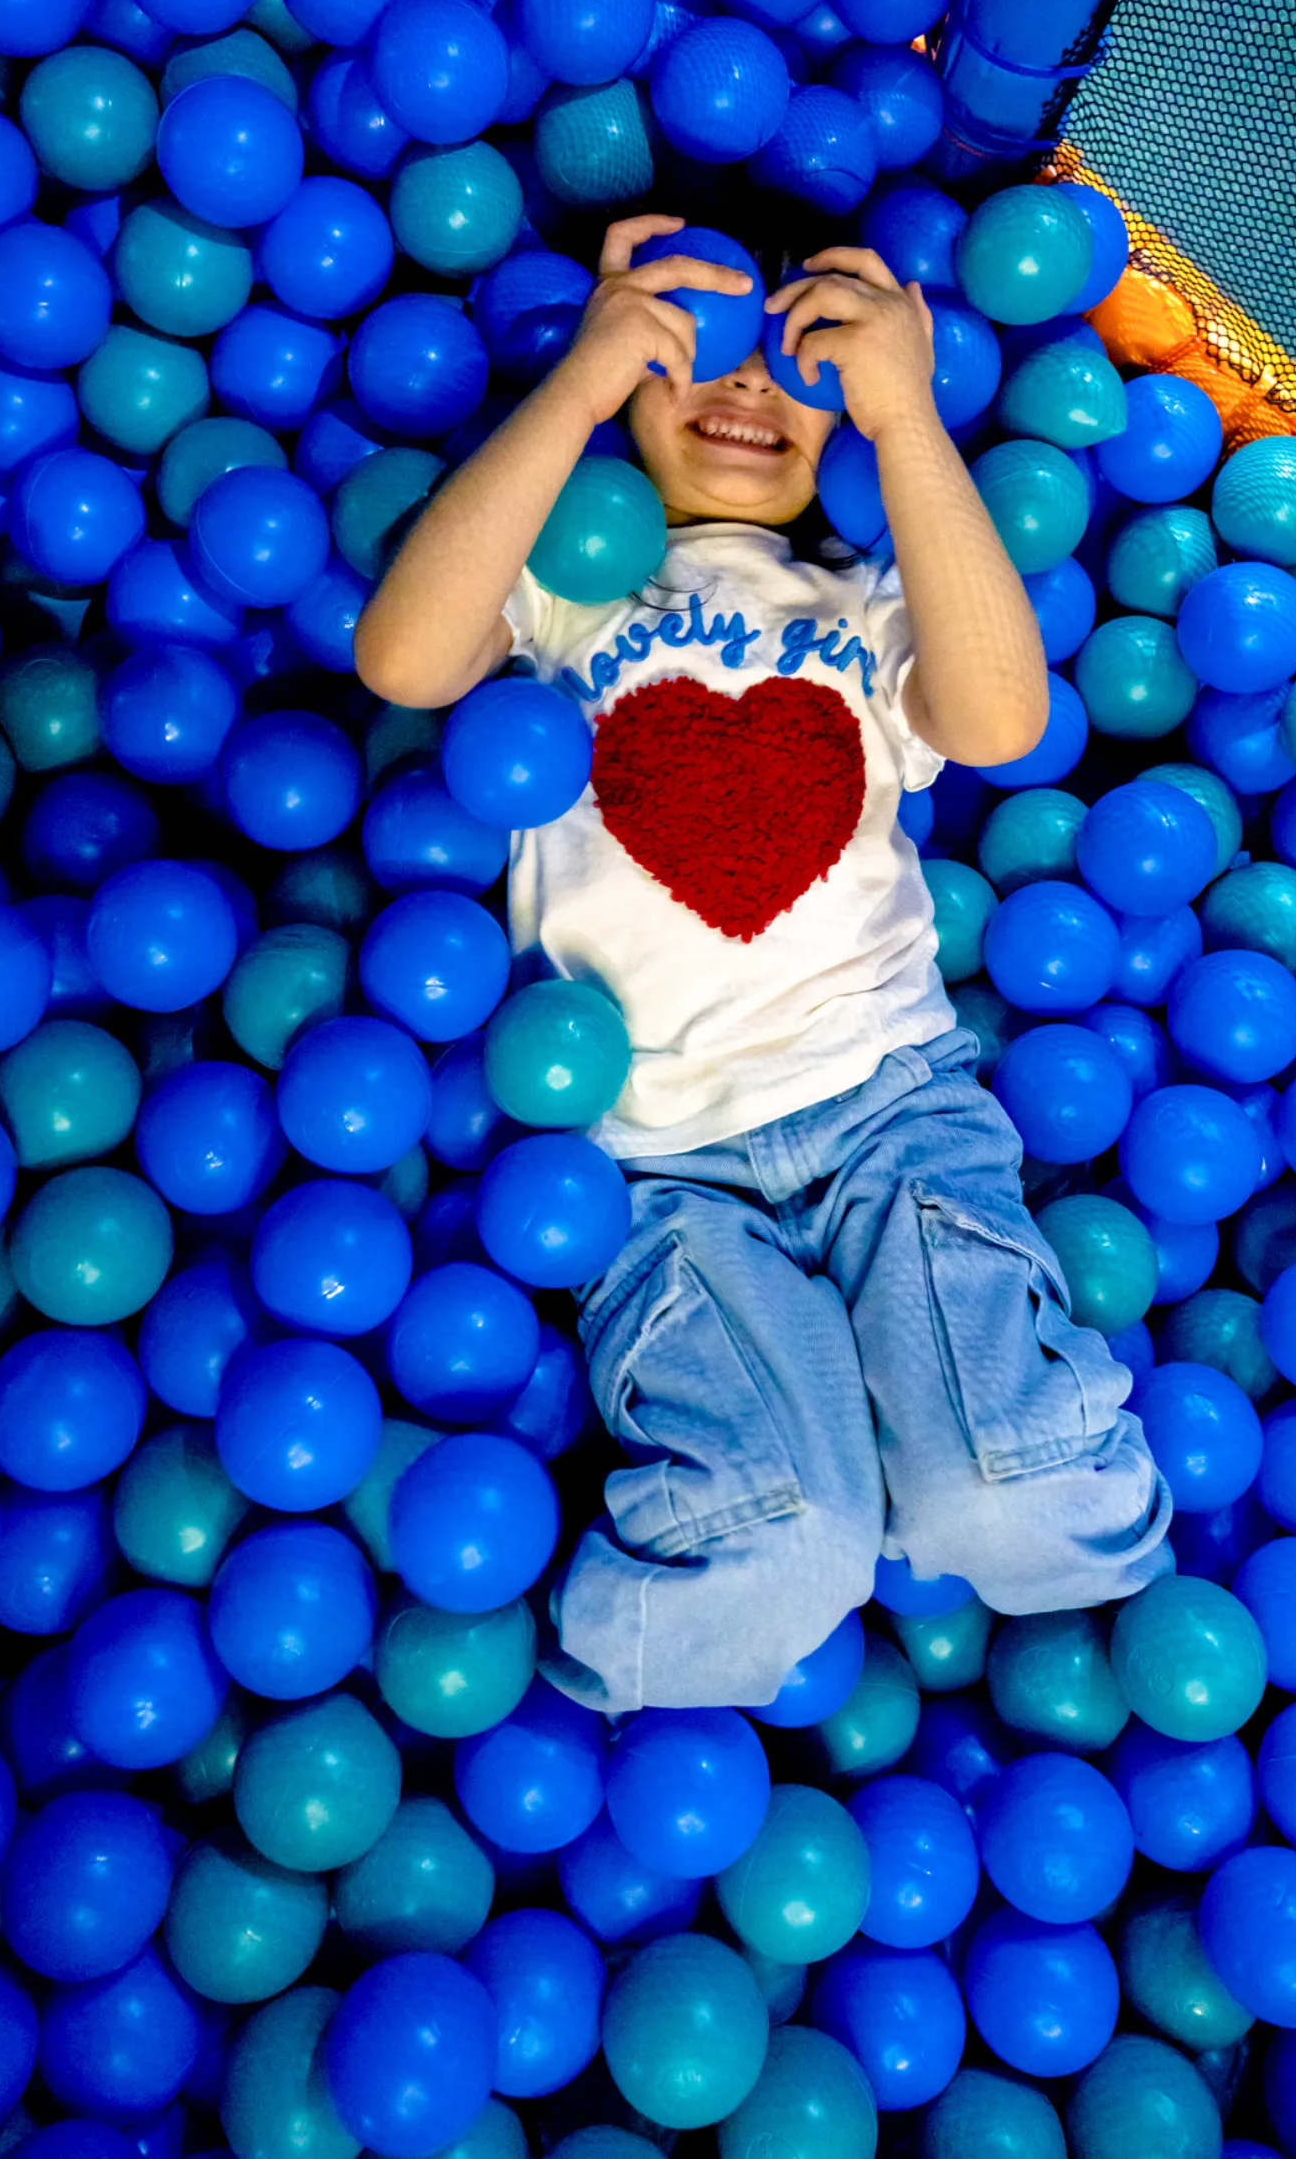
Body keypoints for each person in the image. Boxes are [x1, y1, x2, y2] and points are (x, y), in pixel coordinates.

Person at [356, 204, 1172, 1713]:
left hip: (889, 1112)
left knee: (1014, 1496)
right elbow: (405, 658)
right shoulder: (564, 593)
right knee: (776, 1544)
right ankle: (611, 1676)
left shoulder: (865, 603)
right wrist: (583, 382)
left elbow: (997, 723)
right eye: (701, 348)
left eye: (799, 364)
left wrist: (907, 410)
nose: (746, 387)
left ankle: (1028, 1527)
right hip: (660, 1170)